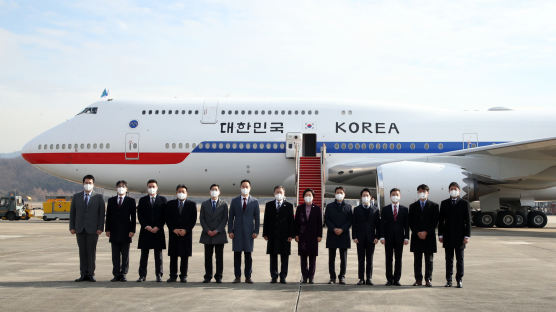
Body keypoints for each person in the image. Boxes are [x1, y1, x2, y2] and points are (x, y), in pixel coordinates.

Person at [69, 174, 105, 282]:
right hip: (80, 229)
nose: (87, 185)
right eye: (86, 183)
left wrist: (100, 228)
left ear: (93, 184)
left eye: (90, 183)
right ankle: (83, 274)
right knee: (82, 252)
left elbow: (101, 214)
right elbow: (72, 213)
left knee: (91, 252)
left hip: (93, 230)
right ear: (83, 184)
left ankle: (91, 274)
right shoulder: (76, 197)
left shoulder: (98, 197)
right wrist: (72, 227)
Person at [438, 182, 471, 288]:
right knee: (449, 259)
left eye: (455, 189)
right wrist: (440, 234)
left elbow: (468, 221)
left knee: (460, 259)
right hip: (447, 236)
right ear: (449, 191)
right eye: (451, 189)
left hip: (460, 236)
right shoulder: (444, 203)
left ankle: (459, 279)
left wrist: (467, 235)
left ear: (459, 191)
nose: (453, 190)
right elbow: (441, 221)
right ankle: (449, 280)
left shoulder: (464, 203)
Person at [228, 179, 260, 283]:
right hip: (236, 232)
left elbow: (257, 218)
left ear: (250, 188)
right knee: (237, 255)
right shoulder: (235, 201)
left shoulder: (254, 201)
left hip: (249, 233)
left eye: (247, 187)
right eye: (243, 186)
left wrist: (256, 231)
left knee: (248, 256)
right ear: (240, 188)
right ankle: (237, 277)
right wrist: (230, 231)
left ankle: (248, 277)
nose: (245, 188)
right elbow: (230, 217)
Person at [408, 184, 439, 287]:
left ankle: (428, 279)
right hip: (417, 237)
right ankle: (418, 279)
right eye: (420, 191)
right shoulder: (412, 206)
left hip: (429, 237)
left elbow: (435, 222)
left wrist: (426, 232)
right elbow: (411, 222)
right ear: (418, 193)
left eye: (424, 191)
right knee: (417, 260)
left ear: (428, 192)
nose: (422, 193)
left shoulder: (434, 206)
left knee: (429, 260)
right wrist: (417, 232)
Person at [105, 180, 136, 282]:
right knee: (115, 255)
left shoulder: (131, 201)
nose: (121, 188)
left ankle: (123, 274)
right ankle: (116, 274)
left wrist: (132, 230)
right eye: (119, 186)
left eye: (123, 186)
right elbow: (108, 216)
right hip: (113, 231)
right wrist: (107, 229)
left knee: (125, 255)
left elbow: (133, 217)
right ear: (116, 188)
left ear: (126, 189)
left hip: (126, 232)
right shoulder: (111, 200)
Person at [136, 179, 167, 282]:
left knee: (158, 255)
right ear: (147, 188)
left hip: (158, 231)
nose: (151, 188)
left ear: (157, 188)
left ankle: (159, 275)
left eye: (153, 186)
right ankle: (142, 275)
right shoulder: (142, 200)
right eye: (150, 186)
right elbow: (140, 215)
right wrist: (146, 226)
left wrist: (158, 227)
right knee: (144, 255)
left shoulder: (163, 200)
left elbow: (164, 216)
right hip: (146, 231)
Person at [263, 186, 295, 284]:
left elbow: (291, 222)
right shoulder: (269, 205)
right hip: (272, 235)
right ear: (274, 193)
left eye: (280, 192)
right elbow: (266, 220)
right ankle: (274, 276)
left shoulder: (289, 206)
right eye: (277, 192)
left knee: (284, 257)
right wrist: (265, 233)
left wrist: (291, 235)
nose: (279, 194)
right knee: (273, 257)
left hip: (285, 236)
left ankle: (283, 276)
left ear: (284, 193)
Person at [166, 185, 197, 283]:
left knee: (185, 256)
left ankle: (183, 275)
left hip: (186, 234)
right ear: (176, 193)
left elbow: (193, 219)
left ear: (187, 193)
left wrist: (186, 230)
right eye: (179, 191)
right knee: (173, 256)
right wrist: (173, 229)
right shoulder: (170, 204)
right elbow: (168, 219)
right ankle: (173, 276)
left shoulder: (191, 204)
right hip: (174, 233)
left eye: (183, 192)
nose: (181, 193)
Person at [200, 184, 229, 283]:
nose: (214, 191)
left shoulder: (224, 204)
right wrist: (207, 230)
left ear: (219, 192)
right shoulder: (204, 204)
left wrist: (217, 230)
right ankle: (208, 276)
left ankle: (219, 276)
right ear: (209, 191)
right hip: (207, 234)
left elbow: (225, 219)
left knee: (219, 257)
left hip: (219, 234)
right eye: (212, 189)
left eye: (216, 189)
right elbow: (202, 219)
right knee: (208, 257)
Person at [380, 188, 409, 286]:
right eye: (393, 194)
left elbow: (406, 225)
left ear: (400, 196)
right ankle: (389, 279)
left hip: (400, 238)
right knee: (388, 258)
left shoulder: (405, 209)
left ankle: (397, 279)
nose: (395, 196)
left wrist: (406, 237)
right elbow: (382, 225)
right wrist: (382, 237)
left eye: (397, 194)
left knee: (398, 258)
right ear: (390, 196)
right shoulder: (385, 209)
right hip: (388, 238)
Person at [352, 188, 380, 286]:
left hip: (371, 238)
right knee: (361, 259)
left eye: (367, 195)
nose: (365, 197)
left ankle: (369, 278)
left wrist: (377, 237)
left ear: (371, 197)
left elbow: (378, 225)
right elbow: (354, 224)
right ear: (361, 197)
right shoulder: (356, 209)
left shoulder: (376, 210)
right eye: (363, 195)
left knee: (370, 259)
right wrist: (354, 236)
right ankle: (361, 278)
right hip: (359, 238)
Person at [325, 186, 352, 285]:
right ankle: (332, 277)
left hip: (343, 234)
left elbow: (350, 221)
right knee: (331, 258)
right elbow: (327, 219)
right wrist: (333, 228)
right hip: (332, 234)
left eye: (341, 192)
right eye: (337, 192)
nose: (339, 194)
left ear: (344, 194)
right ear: (335, 194)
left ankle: (342, 277)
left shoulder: (348, 207)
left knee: (343, 258)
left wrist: (342, 229)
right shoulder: (329, 206)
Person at [295, 189, 322, 284]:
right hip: (302, 236)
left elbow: (319, 223)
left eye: (310, 195)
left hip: (313, 236)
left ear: (313, 196)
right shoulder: (300, 208)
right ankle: (305, 276)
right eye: (306, 195)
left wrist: (319, 235)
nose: (308, 196)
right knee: (303, 258)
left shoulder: (317, 208)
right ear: (303, 197)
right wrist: (296, 234)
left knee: (312, 257)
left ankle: (311, 277)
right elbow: (296, 223)